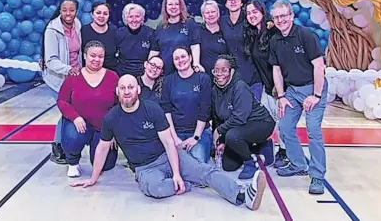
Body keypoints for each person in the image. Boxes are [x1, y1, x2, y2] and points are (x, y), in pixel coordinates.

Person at [70, 74, 267, 212]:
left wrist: (176, 173)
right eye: (123, 88)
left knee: (205, 171)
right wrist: (93, 178)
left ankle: (243, 194)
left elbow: (168, 143)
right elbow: (103, 148)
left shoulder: (152, 109)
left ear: (138, 89)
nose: (127, 91)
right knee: (155, 189)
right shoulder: (111, 118)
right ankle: (188, 184)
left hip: (167, 156)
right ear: (117, 91)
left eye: (131, 87)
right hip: (145, 169)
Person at [269, 0, 328, 195]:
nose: (280, 20)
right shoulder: (275, 40)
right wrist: (282, 96)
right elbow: (276, 70)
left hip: (313, 89)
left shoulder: (306, 35)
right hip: (292, 91)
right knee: (284, 127)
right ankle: (298, 164)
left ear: (291, 16)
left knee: (313, 131)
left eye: (284, 16)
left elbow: (319, 66)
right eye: (276, 17)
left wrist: (316, 95)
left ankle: (317, 176)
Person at [57, 41, 119, 177]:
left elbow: (118, 105)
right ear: (85, 56)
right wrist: (75, 117)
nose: (97, 59)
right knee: (73, 136)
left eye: (100, 56)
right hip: (80, 124)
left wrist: (114, 131)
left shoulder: (112, 77)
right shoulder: (74, 76)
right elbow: (62, 101)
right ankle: (73, 162)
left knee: (107, 165)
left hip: (103, 127)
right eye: (93, 56)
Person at [211, 55, 275, 179]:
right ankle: (261, 147)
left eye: (224, 70)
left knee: (233, 136)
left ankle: (250, 162)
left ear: (232, 71)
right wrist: (222, 141)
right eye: (216, 70)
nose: (219, 74)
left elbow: (240, 117)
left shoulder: (240, 87)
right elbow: (218, 117)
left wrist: (219, 131)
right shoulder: (215, 90)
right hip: (240, 128)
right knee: (228, 166)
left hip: (261, 123)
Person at [243, 0, 289, 168]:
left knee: (283, 122)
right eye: (248, 13)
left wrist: (281, 87)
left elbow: (283, 61)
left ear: (262, 12)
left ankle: (285, 153)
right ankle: (271, 148)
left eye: (255, 12)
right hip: (267, 87)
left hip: (281, 87)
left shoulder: (272, 32)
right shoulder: (254, 35)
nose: (251, 15)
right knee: (269, 121)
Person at [41, 0, 82, 165]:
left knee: (70, 111)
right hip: (57, 78)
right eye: (64, 10)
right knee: (67, 111)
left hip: (74, 78)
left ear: (76, 11)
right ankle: (58, 147)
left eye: (71, 10)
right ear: (60, 10)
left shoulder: (77, 25)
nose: (68, 13)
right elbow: (50, 60)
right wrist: (68, 69)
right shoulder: (52, 30)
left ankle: (65, 145)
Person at [161, 47, 212, 163]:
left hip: (200, 133)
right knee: (175, 164)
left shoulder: (203, 78)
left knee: (197, 163)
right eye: (176, 58)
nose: (180, 60)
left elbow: (204, 110)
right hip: (176, 132)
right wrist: (174, 138)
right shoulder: (168, 81)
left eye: (183, 56)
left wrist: (195, 137)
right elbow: (166, 111)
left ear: (190, 57)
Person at [149, 0, 204, 75]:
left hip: (185, 72)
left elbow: (195, 45)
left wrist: (196, 63)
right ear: (165, 7)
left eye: (176, 4)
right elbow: (154, 50)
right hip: (165, 73)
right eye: (170, 4)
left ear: (181, 6)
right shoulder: (160, 27)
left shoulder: (190, 23)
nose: (173, 7)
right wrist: (149, 67)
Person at [219, 0, 261, 97]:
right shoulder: (222, 22)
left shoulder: (250, 19)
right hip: (232, 75)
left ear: (242, 3)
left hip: (252, 73)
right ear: (226, 4)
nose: (233, 2)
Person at [116, 3, 155, 77]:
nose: (134, 20)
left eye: (137, 16)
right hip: (122, 75)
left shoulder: (151, 33)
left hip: (144, 75)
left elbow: (153, 59)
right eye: (130, 17)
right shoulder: (118, 33)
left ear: (142, 18)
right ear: (125, 18)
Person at [81, 1, 118, 71]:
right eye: (98, 13)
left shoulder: (114, 30)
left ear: (109, 16)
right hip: (89, 74)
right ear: (92, 14)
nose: (101, 16)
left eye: (105, 14)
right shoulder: (84, 31)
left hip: (111, 73)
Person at [199, 0, 229, 77]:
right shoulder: (197, 31)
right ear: (203, 16)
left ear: (218, 13)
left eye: (213, 12)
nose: (210, 15)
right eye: (207, 13)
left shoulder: (225, 31)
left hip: (222, 78)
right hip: (202, 77)